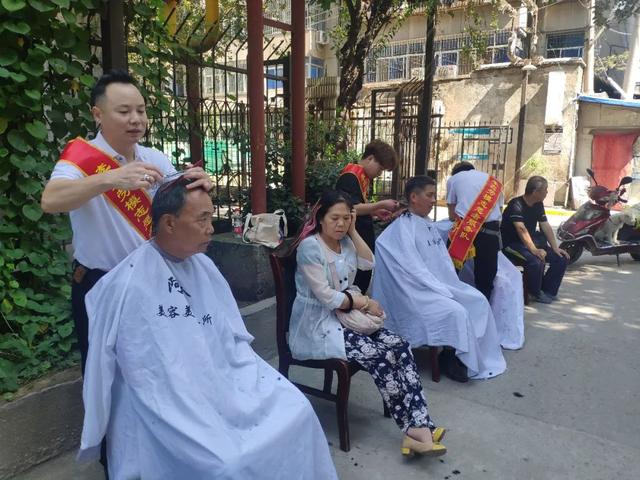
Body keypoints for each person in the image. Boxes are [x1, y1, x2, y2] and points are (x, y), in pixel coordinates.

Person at [79, 178, 338, 479]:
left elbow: (231, 336)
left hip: (221, 379)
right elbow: (143, 369)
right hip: (170, 396)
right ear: (169, 223)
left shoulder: (203, 266)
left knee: (298, 410)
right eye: (202, 219)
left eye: (210, 218)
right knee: (226, 463)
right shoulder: (128, 285)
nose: (211, 228)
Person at [40, 70, 212, 373]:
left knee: (155, 370)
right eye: (124, 111)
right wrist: (110, 179)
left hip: (152, 281)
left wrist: (197, 184)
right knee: (104, 376)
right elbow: (51, 200)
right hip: (100, 285)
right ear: (98, 114)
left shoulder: (154, 159)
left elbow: (176, 211)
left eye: (141, 111)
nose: (136, 119)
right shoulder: (80, 158)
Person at [289, 190, 447, 457]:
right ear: (321, 218)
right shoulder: (310, 247)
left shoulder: (346, 242)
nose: (340, 224)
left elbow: (368, 262)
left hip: (348, 319)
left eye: (346, 218)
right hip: (319, 325)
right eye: (334, 218)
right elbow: (327, 297)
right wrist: (364, 302)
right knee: (379, 355)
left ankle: (421, 423)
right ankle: (412, 430)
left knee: (400, 346)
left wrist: (353, 232)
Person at [372, 176, 507, 382]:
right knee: (457, 311)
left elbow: (441, 258)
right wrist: (441, 289)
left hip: (438, 285)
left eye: (434, 195)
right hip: (415, 292)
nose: (434, 200)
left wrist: (448, 286)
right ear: (414, 197)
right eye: (430, 195)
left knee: (479, 300)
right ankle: (449, 358)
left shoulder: (426, 223)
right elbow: (413, 269)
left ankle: (466, 352)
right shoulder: (401, 229)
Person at [434, 220, 525, 350]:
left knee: (486, 286)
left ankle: (481, 333)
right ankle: (452, 336)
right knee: (451, 282)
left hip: (489, 234)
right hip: (464, 232)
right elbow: (452, 212)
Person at [335, 139, 400, 293]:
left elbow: (357, 206)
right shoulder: (350, 176)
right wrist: (380, 205)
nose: (379, 174)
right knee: (355, 282)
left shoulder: (360, 176)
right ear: (370, 158)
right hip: (353, 240)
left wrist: (374, 211)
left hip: (359, 238)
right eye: (380, 168)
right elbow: (348, 210)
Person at [501, 176, 569, 304]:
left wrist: (555, 248)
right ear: (535, 192)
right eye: (545, 190)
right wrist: (534, 250)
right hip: (512, 245)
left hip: (530, 243)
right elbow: (521, 229)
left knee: (561, 258)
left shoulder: (538, 204)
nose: (547, 192)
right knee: (536, 261)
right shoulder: (515, 205)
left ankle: (548, 291)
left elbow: (545, 225)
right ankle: (534, 292)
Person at [446, 161, 504, 301]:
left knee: (449, 271)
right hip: (491, 232)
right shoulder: (494, 182)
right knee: (486, 278)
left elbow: (452, 214)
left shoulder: (454, 179)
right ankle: (484, 308)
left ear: (455, 172)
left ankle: (449, 302)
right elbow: (500, 209)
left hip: (465, 230)